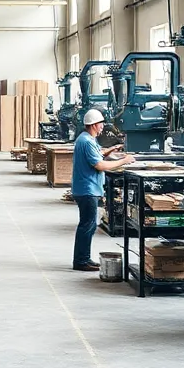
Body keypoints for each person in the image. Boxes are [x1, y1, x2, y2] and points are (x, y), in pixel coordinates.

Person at [71, 108, 134, 271]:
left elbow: (98, 154)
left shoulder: (86, 139)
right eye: (100, 124)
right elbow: (99, 165)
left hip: (87, 188)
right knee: (88, 225)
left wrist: (111, 150)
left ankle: (84, 258)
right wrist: (124, 161)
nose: (102, 127)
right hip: (87, 190)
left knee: (89, 225)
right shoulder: (86, 141)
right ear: (93, 125)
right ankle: (80, 261)